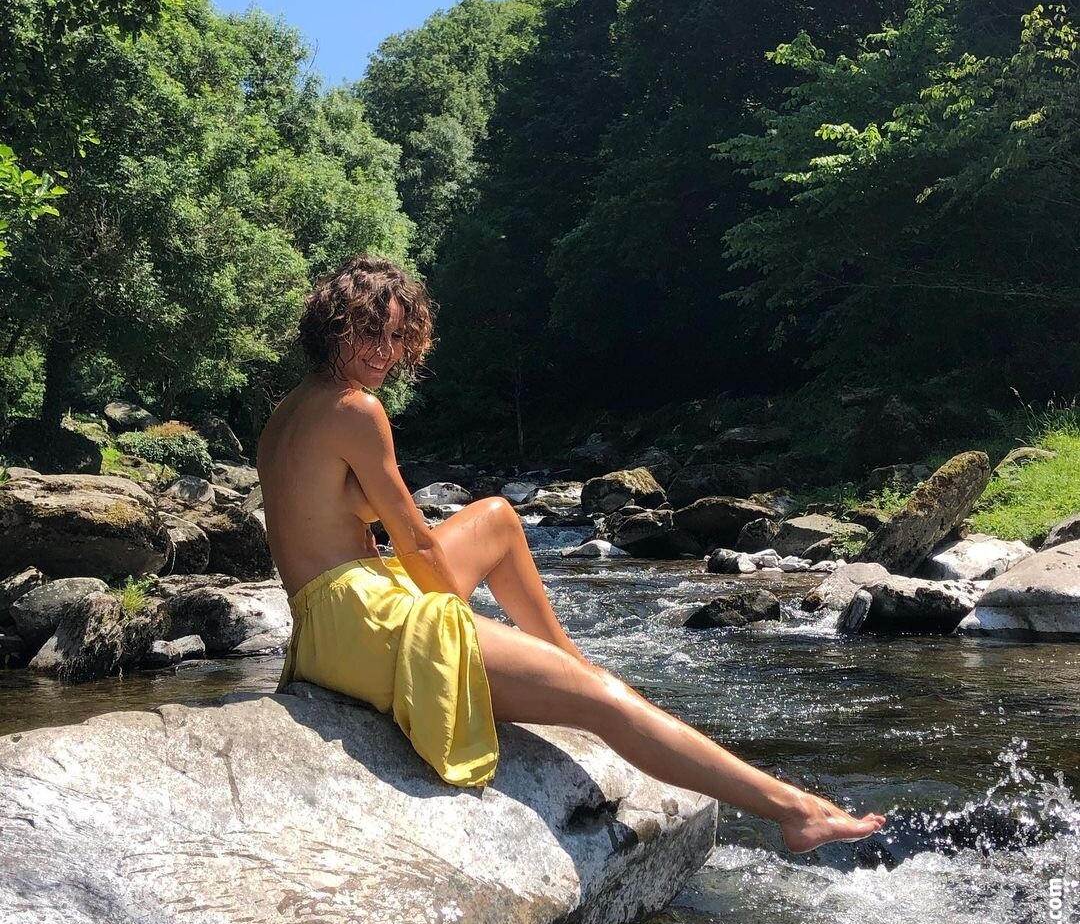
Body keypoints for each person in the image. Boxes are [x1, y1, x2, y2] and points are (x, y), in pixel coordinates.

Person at [257, 254, 886, 852]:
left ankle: (565, 663)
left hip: (327, 622)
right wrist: (458, 628)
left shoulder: (287, 412)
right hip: (360, 620)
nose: (385, 351)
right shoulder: (357, 410)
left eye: (397, 336)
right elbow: (416, 541)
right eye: (370, 333)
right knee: (604, 699)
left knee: (499, 517)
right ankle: (794, 811)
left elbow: (347, 524)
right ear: (333, 327)